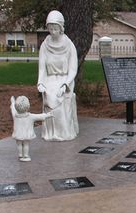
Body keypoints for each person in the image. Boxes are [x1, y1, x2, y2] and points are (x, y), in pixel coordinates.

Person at [37, 10, 79, 141]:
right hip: (49, 80)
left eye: (55, 28)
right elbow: (42, 67)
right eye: (50, 28)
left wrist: (65, 84)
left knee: (59, 96)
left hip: (64, 80)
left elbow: (73, 69)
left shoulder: (69, 45)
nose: (53, 31)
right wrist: (41, 82)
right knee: (49, 95)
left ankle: (64, 133)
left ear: (61, 28)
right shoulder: (45, 45)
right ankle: (51, 133)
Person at [10, 96, 52, 162]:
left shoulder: (15, 115)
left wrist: (12, 102)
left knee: (19, 144)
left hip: (18, 133)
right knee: (26, 144)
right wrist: (48, 115)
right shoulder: (30, 116)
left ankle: (20, 154)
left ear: (16, 106)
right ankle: (26, 155)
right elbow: (40, 116)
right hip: (27, 134)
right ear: (28, 106)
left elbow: (13, 109)